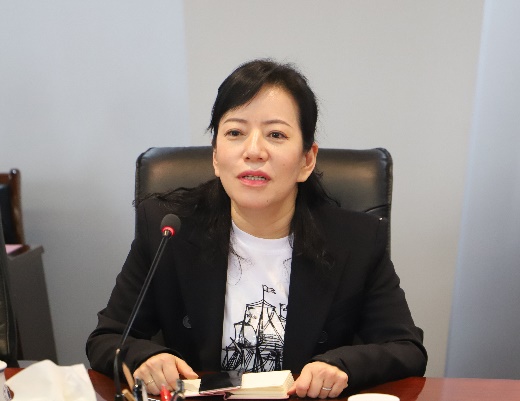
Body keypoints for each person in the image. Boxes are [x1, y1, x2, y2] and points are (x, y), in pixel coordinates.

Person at [86, 59, 427, 398]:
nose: (253, 151)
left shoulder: (356, 240)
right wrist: (146, 357)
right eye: (235, 133)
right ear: (216, 156)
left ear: (307, 160)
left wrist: (340, 365)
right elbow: (108, 338)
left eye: (276, 134)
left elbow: (406, 348)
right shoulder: (169, 230)